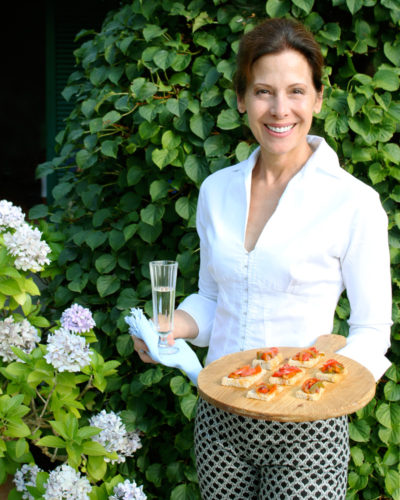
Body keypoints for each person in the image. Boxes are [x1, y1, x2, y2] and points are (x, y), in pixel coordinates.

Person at [132, 17, 392, 500]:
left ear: (317, 98)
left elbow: (373, 331)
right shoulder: (216, 191)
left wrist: (315, 390)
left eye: (296, 91)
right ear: (241, 100)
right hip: (219, 420)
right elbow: (214, 297)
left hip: (306, 430)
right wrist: (171, 327)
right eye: (262, 91)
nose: (279, 109)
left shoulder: (354, 203)